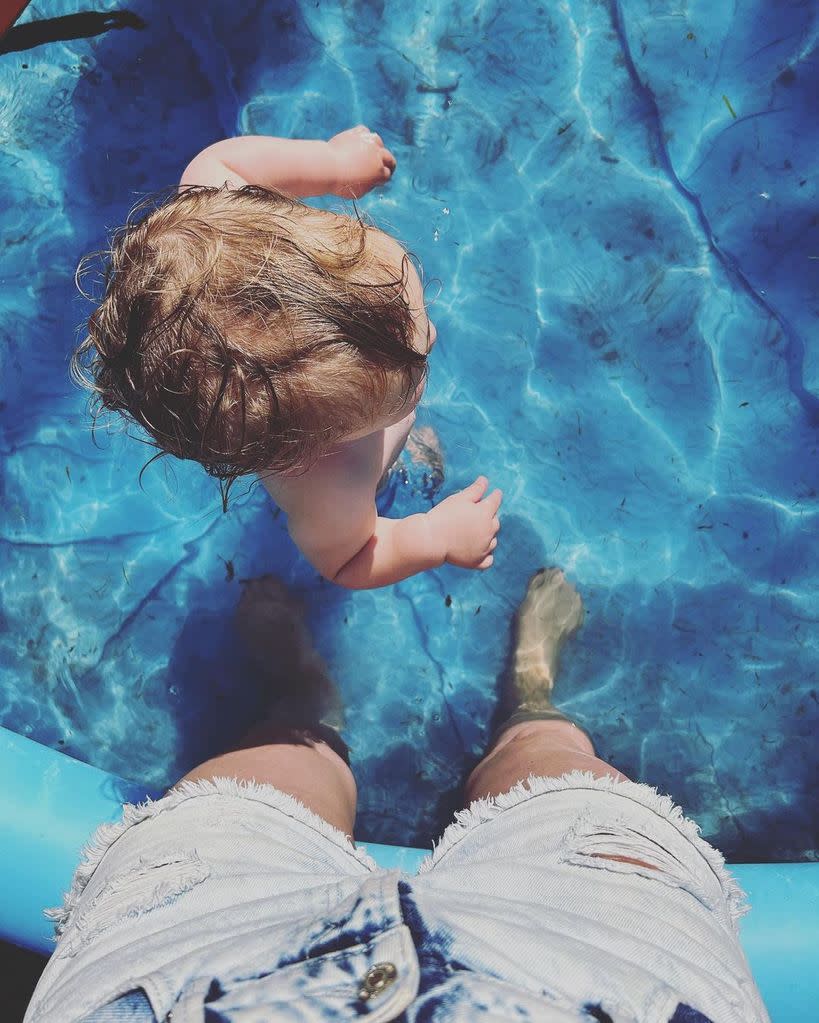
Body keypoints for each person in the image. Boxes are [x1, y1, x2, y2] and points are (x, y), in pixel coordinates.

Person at [24, 570, 769, 1022]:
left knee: (269, 778)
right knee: (550, 769)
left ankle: (306, 699)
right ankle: (529, 699)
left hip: (186, 969)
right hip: (617, 976)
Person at [71, 126, 502, 589]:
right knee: (381, 474)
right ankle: (394, 461)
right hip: (352, 469)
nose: (432, 335)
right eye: (412, 378)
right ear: (308, 450)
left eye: (412, 305)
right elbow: (348, 561)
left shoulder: (220, 213)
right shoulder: (328, 488)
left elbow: (225, 161)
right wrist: (430, 537)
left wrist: (332, 164)